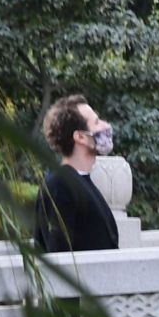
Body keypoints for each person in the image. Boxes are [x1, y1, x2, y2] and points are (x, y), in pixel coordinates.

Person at [32, 95, 119, 254]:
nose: (105, 126)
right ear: (80, 137)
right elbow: (59, 255)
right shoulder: (59, 184)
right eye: (96, 122)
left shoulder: (83, 180)